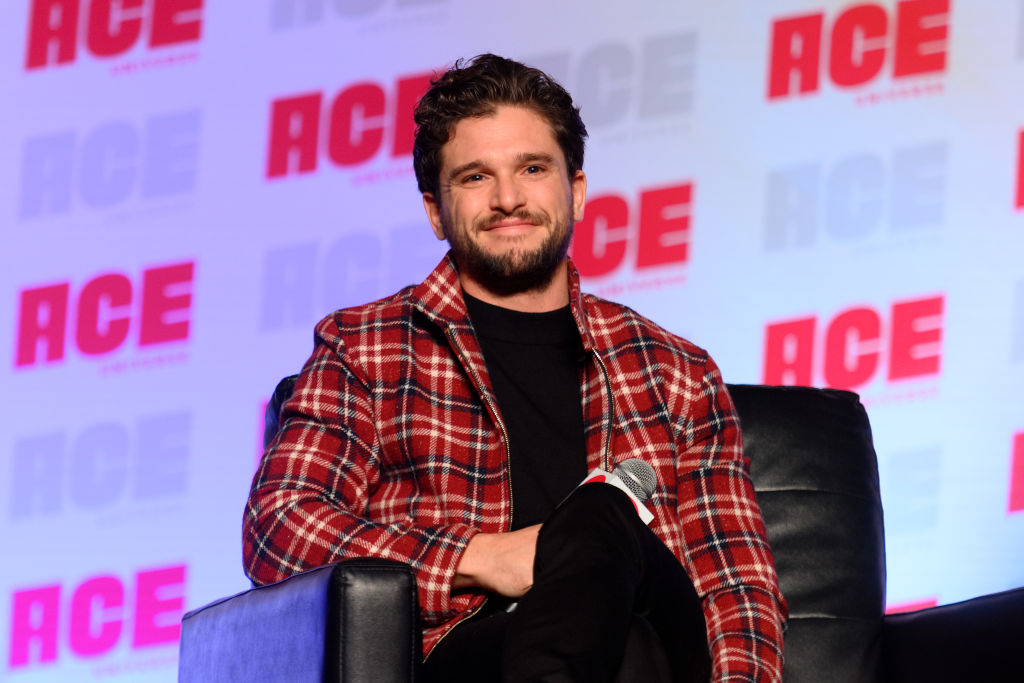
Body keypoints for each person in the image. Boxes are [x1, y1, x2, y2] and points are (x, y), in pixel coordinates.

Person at [243, 54, 786, 682]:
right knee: (626, 652)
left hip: (665, 638)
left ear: (575, 191)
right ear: (435, 211)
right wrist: (483, 558)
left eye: (532, 168)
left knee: (608, 513)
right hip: (475, 652)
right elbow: (279, 526)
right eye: (475, 177)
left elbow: (737, 585)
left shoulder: (676, 372)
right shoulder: (367, 347)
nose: (507, 199)